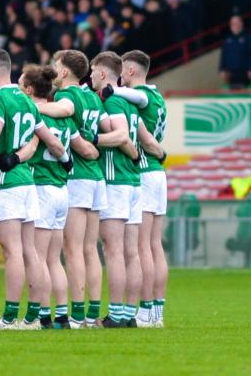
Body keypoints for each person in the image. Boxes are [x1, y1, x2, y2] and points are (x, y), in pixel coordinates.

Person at [34, 50, 131, 328]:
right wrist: (94, 144)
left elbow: (65, 111)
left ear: (64, 72)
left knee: (73, 249)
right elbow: (114, 132)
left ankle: (76, 315)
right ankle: (90, 314)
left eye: (56, 65)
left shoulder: (68, 96)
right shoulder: (91, 97)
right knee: (90, 249)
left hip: (76, 177)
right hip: (97, 178)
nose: (53, 69)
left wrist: (30, 105)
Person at [0, 49, 68, 330]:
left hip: (5, 181)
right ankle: (32, 318)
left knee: (13, 252)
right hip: (28, 181)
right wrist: (65, 159)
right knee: (31, 252)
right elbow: (49, 140)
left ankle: (8, 317)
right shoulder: (27, 103)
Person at [20, 64, 99, 329]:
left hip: (42, 186)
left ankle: (40, 315)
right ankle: (63, 315)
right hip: (62, 191)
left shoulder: (33, 115)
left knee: (38, 257)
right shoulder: (64, 118)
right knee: (54, 258)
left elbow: (31, 148)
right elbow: (84, 149)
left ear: (29, 89)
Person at [89, 51, 164, 328]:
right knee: (132, 251)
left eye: (94, 70)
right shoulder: (133, 105)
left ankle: (117, 315)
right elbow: (145, 140)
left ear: (105, 74)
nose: (91, 75)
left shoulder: (112, 101)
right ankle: (131, 314)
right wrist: (141, 154)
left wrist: (91, 139)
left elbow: (121, 135)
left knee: (114, 251)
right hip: (134, 181)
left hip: (117, 179)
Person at [120, 50, 169, 328]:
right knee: (154, 244)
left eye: (123, 71)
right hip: (157, 175)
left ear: (131, 70)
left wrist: (109, 89)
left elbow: (148, 140)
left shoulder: (142, 95)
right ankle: (156, 312)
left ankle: (146, 311)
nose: (122, 76)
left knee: (143, 246)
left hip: (146, 171)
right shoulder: (158, 96)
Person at [219, 15, 251, 88]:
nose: (235, 25)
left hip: (245, 73)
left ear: (241, 23)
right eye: (233, 23)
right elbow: (223, 55)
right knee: (233, 96)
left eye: (237, 22)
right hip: (230, 74)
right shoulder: (227, 40)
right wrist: (221, 69)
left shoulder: (248, 38)